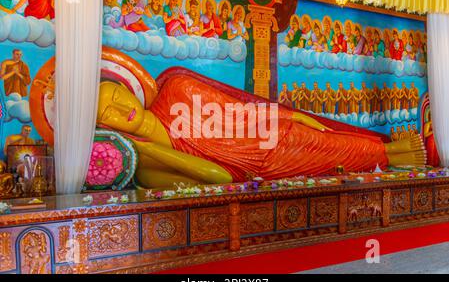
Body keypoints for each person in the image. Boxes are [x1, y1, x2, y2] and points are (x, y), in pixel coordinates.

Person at [96, 75, 426, 188]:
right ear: (104, 128)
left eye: (114, 96)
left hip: (270, 131)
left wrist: (286, 116)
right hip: (263, 167)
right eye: (106, 114)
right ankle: (396, 155)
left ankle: (395, 152)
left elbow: (239, 107)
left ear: (128, 88)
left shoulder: (177, 91)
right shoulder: (150, 168)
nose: (116, 109)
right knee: (331, 160)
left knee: (331, 141)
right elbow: (221, 177)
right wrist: (145, 149)